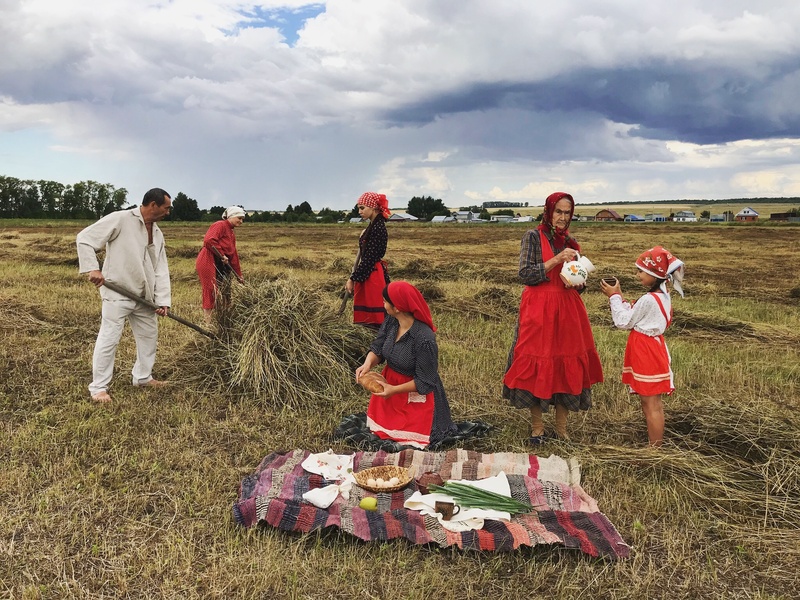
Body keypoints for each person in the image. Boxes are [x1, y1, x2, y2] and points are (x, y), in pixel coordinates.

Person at [503, 192, 604, 443]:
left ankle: (561, 430)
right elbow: (525, 274)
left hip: (568, 310)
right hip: (539, 308)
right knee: (536, 364)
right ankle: (537, 428)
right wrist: (556, 259)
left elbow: (579, 282)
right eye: (558, 211)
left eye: (567, 212)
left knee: (564, 364)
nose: (562, 217)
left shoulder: (571, 241)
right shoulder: (533, 237)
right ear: (549, 212)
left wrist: (578, 282)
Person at [76, 188, 173, 403]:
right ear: (153, 205)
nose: (168, 212)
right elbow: (84, 239)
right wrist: (93, 268)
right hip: (117, 291)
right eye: (166, 208)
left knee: (149, 337)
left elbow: (161, 268)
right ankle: (98, 388)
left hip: (144, 297)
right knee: (109, 339)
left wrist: (163, 300)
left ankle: (143, 377)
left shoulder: (157, 233)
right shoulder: (121, 219)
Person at [355, 281, 457, 448]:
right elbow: (378, 347)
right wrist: (367, 364)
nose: (383, 304)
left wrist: (393, 390)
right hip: (390, 387)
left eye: (385, 301)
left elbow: (426, 381)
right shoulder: (391, 321)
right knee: (382, 432)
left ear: (397, 308)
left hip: (413, 391)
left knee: (409, 441)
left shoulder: (424, 338)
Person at [600, 246, 685, 447]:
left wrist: (614, 297)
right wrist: (620, 296)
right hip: (650, 348)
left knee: (651, 403)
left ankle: (655, 449)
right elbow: (636, 316)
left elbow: (623, 321)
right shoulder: (661, 296)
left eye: (641, 271)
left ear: (655, 274)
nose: (637, 275)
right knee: (650, 402)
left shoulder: (649, 299)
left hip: (646, 351)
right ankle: (654, 444)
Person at [345, 192, 390, 328]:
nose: (359, 211)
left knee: (374, 316)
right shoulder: (372, 227)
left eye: (362, 208)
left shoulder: (378, 228)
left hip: (372, 274)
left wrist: (353, 278)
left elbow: (369, 258)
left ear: (374, 208)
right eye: (359, 208)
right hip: (369, 272)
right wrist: (363, 236)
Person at [195, 205, 245, 323]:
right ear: (231, 216)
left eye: (243, 219)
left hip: (222, 263)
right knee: (210, 290)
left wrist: (239, 275)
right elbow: (209, 240)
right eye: (239, 218)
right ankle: (208, 323)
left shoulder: (231, 233)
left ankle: (225, 319)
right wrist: (221, 254)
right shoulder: (220, 225)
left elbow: (233, 254)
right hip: (209, 259)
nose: (241, 221)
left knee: (226, 290)